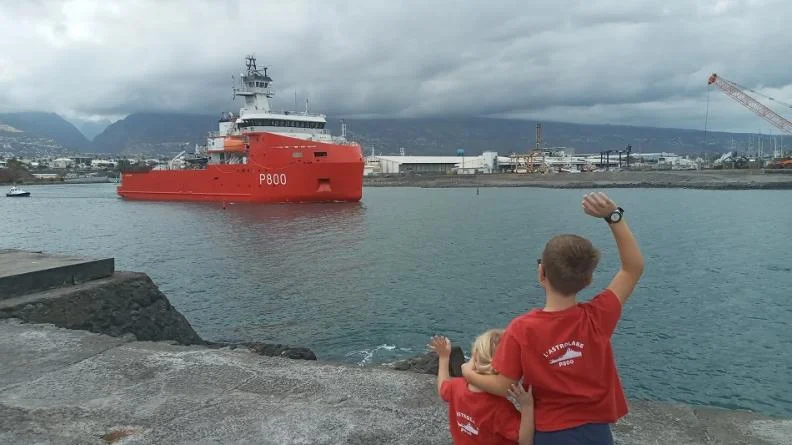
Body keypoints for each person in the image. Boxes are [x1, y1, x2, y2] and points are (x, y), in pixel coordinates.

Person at [461, 192, 644, 445]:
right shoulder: (598, 317)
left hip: (550, 434)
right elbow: (632, 268)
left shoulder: (522, 329)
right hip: (597, 434)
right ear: (588, 280)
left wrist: (467, 374)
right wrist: (613, 217)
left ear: (541, 273)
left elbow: (504, 386)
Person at [428, 330, 534, 445]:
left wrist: (444, 357)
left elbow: (443, 389)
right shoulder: (500, 409)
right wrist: (527, 406)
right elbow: (525, 441)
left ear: (476, 357)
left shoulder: (456, 387)